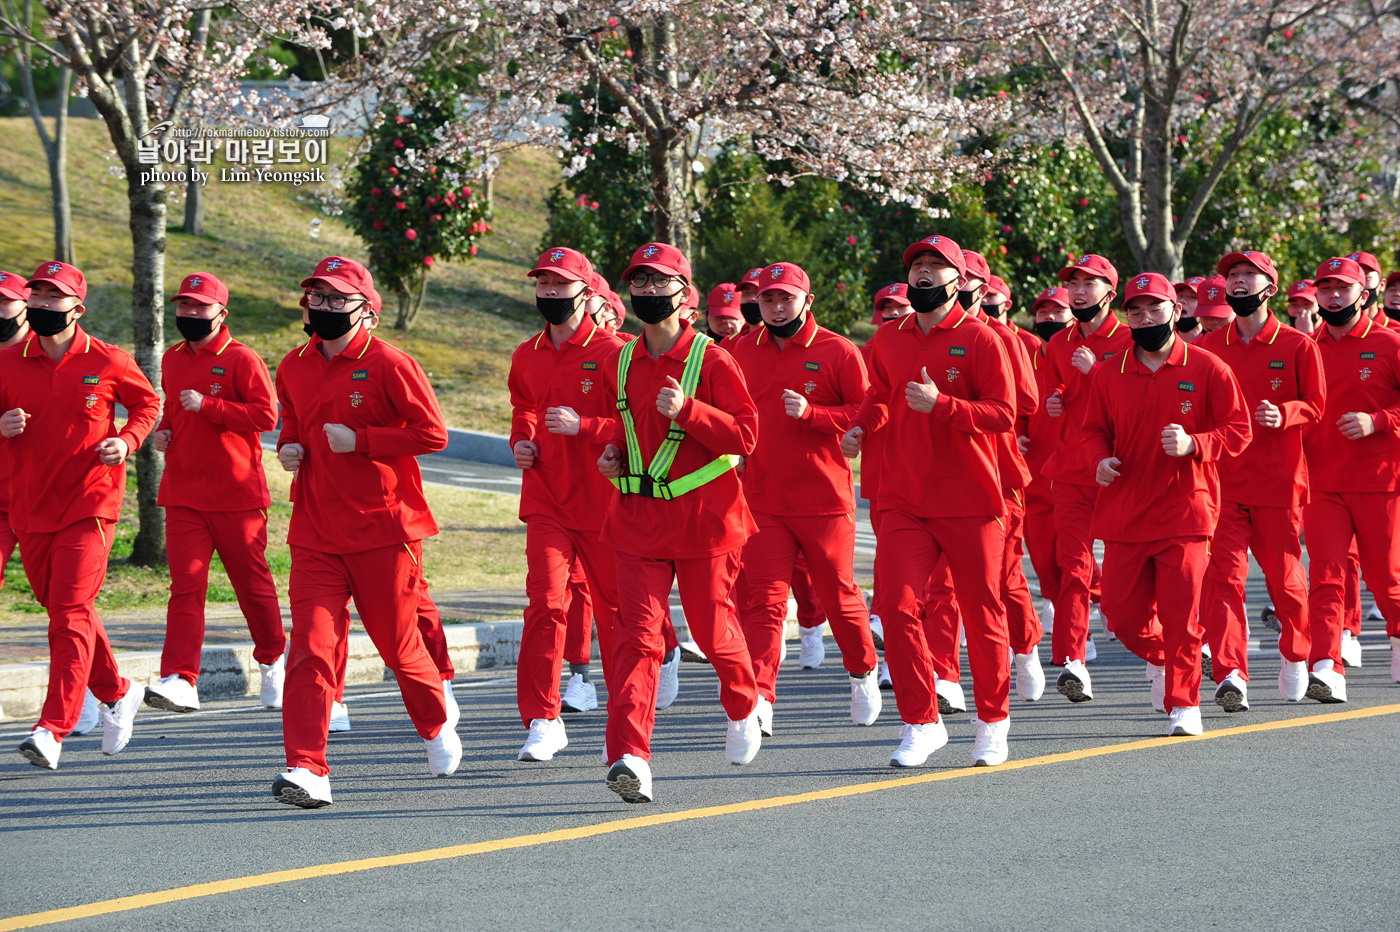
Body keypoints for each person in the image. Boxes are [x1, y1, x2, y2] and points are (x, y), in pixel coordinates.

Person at [271, 256, 457, 807]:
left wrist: (365, 441)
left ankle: (436, 722)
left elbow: (432, 434)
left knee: (399, 648)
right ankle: (307, 767)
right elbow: (292, 421)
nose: (324, 308)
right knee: (309, 650)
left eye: (336, 298)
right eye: (317, 299)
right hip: (314, 533)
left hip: (384, 529)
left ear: (366, 311)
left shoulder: (390, 363)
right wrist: (289, 446)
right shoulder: (294, 364)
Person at [596, 242, 762, 803]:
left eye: (656, 283)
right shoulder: (621, 358)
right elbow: (625, 427)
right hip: (638, 519)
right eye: (637, 284)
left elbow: (745, 437)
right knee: (637, 640)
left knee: (713, 632)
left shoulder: (712, 360)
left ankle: (744, 704)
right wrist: (613, 456)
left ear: (683, 293)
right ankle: (631, 757)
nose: (645, 292)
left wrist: (687, 410)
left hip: (704, 520)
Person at [842, 234, 1015, 767]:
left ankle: (992, 724)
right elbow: (878, 394)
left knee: (983, 613)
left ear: (958, 281)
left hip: (969, 497)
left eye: (934, 266)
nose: (921, 274)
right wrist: (860, 427)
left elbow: (1004, 413)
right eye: (916, 264)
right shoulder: (889, 338)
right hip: (903, 497)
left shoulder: (984, 340)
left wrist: (945, 406)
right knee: (894, 608)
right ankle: (922, 720)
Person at [1080, 272, 1250, 735]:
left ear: (1176, 312)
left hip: (1185, 512)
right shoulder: (1108, 371)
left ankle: (1184, 702)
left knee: (1180, 615)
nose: (1144, 318)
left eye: (1155, 309)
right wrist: (1099, 459)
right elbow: (1093, 429)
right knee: (1121, 615)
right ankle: (1171, 657)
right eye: (1135, 311)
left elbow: (1239, 431)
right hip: (1125, 514)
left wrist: (1195, 443)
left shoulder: (1208, 368)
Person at [7, 261, 161, 771]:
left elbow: (147, 405)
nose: (43, 305)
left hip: (91, 503)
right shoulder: (9, 361)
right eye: (37, 296)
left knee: (70, 611)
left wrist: (127, 439)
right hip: (31, 506)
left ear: (78, 307)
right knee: (67, 612)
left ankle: (52, 727)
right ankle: (118, 692)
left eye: (54, 298)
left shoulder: (108, 360)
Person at [728, 261, 881, 734]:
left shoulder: (837, 349)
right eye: (767, 299)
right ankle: (760, 699)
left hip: (824, 498)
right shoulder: (739, 350)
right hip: (763, 498)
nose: (775, 307)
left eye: (785, 298)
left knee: (838, 594)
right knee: (765, 602)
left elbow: (868, 409)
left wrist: (815, 414)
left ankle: (862, 671)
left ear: (806, 301)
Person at [143, 272, 286, 714]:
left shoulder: (242, 358)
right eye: (184, 306)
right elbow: (171, 408)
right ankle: (180, 679)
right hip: (184, 491)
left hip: (237, 494)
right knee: (186, 587)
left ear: (221, 313)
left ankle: (273, 662)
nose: (189, 313)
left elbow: (266, 416)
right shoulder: (171, 358)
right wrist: (164, 432)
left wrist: (210, 406)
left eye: (199, 307)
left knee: (251, 586)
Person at [508, 247, 627, 762]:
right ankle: (543, 719)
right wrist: (522, 440)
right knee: (545, 604)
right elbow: (523, 408)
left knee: (619, 614)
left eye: (560, 285)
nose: (550, 294)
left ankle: (628, 721)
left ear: (585, 290)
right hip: (547, 500)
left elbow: (638, 424)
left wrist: (587, 428)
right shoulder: (527, 353)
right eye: (543, 285)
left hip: (606, 503)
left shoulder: (616, 353)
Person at [1196, 251, 1326, 707]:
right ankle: (1232, 673)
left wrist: (1285, 414)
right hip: (1224, 486)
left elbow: (1316, 405)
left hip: (1278, 483)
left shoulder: (1297, 345)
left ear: (1269, 288)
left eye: (1249, 275)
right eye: (1232, 275)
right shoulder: (1209, 349)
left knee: (1286, 582)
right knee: (1223, 580)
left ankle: (1295, 657)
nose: (1238, 282)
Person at [922, 249, 1043, 709]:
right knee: (941, 584)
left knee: (1003, 580)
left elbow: (1024, 403)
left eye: (975, 280)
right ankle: (946, 675)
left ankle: (1026, 648)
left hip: (998, 478)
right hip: (940, 481)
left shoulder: (998, 338)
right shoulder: (923, 335)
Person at [1300, 256, 1400, 701]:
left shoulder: (1390, 343)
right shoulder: (1305, 348)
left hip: (1380, 482)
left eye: (1343, 289)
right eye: (1326, 289)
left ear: (1364, 294)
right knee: (1325, 576)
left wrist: (1377, 421)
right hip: (1320, 485)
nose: (1334, 296)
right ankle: (1326, 665)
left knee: (1388, 580)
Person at [1042, 254, 1133, 702]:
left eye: (1089, 283)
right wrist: (1055, 399)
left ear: (1109, 293)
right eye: (1073, 282)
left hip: (1121, 472)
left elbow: (1140, 401)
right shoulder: (1057, 342)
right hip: (1071, 471)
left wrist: (1094, 371)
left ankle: (1167, 654)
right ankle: (1073, 660)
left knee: (1124, 579)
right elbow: (1045, 389)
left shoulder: (1133, 337)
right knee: (1073, 568)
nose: (1078, 291)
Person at [861, 283, 914, 686]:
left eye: (900, 307)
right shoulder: (871, 350)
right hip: (884, 478)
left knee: (933, 585)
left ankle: (938, 669)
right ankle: (890, 659)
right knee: (892, 569)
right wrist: (855, 428)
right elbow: (866, 402)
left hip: (938, 482)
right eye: (886, 308)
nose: (893, 313)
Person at [1021, 286, 1073, 643]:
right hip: (1035, 479)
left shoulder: (1081, 358)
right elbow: (1015, 405)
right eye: (1043, 313)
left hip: (1076, 477)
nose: (1049, 319)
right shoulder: (1027, 357)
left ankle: (1075, 640)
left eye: (1057, 312)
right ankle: (1068, 607)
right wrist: (1018, 435)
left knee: (1077, 566)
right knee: (1044, 564)